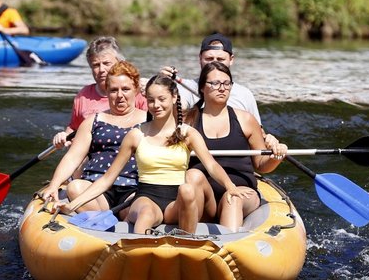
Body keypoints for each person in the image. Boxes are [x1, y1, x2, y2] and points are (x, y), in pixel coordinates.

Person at [61, 74, 256, 234]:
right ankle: (138, 252)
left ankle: (186, 244)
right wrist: (74, 204)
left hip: (174, 201)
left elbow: (211, 165)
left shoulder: (188, 134)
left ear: (174, 98)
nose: (156, 105)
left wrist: (231, 187)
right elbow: (107, 180)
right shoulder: (136, 135)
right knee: (145, 214)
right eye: (151, 100)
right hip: (146, 197)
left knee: (187, 191)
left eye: (161, 99)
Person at [184, 61, 286, 230]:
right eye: (215, 83)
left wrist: (276, 157)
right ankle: (188, 239)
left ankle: (228, 247)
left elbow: (261, 164)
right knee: (193, 174)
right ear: (202, 87)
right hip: (204, 197)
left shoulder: (245, 119)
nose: (222, 88)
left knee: (233, 198)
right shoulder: (188, 120)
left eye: (226, 83)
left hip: (242, 192)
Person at [37, 60, 149, 212]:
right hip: (94, 190)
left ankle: (125, 218)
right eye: (114, 90)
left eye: (125, 89)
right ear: (107, 91)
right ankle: (98, 221)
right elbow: (73, 157)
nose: (120, 95)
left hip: (133, 188)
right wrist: (54, 185)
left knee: (143, 206)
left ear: (136, 90)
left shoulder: (149, 121)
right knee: (74, 187)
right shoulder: (93, 121)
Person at [51, 36, 147, 148]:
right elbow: (73, 128)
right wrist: (64, 137)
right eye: (96, 65)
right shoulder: (83, 95)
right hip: (91, 155)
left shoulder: (138, 92)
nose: (101, 70)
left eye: (106, 63)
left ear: (120, 63)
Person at [161, 33, 261, 124]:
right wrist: (162, 85)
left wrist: (270, 139)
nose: (214, 63)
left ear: (231, 60)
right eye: (209, 59)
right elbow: (172, 112)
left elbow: (259, 131)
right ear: (200, 58)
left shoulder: (245, 94)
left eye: (220, 59)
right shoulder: (183, 88)